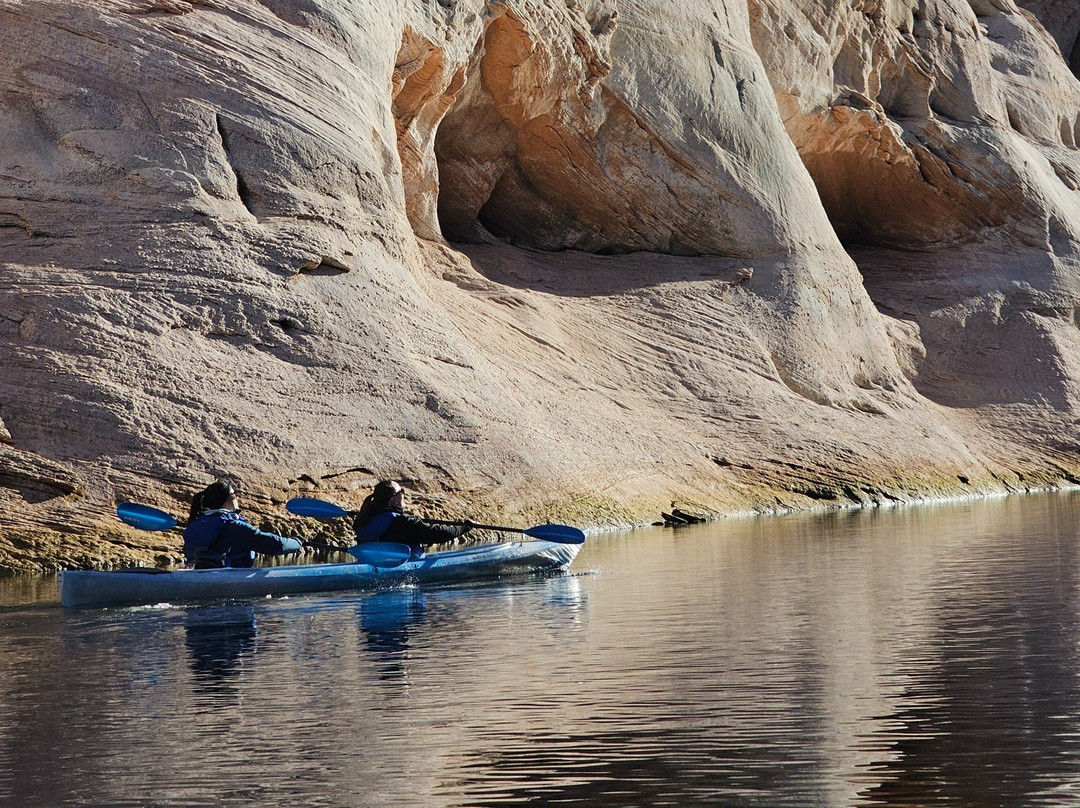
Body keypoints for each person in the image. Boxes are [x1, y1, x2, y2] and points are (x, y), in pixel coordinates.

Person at [184, 480, 304, 569]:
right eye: (234, 495)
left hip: (200, 573)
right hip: (227, 578)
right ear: (226, 501)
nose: (237, 498)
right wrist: (297, 542)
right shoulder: (234, 526)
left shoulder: (198, 522)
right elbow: (276, 545)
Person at [353, 480, 473, 560]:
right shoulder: (402, 522)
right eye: (401, 492)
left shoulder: (364, 519)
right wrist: (464, 527)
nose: (404, 495)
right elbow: (439, 533)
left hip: (371, 565)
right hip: (404, 567)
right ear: (394, 499)